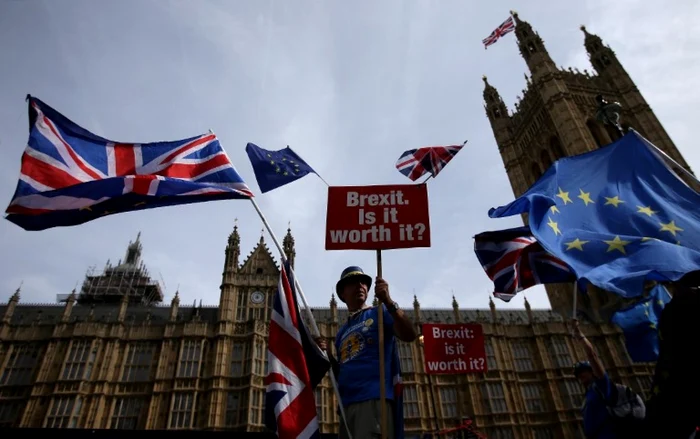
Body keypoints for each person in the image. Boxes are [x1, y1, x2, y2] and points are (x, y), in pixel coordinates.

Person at [316, 266, 417, 439]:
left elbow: (410, 334)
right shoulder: (341, 332)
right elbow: (341, 372)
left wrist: (389, 302)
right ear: (342, 293)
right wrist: (327, 354)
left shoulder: (379, 313)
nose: (360, 285)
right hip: (346, 406)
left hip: (373, 399)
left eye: (364, 282)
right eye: (353, 283)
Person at [572, 319, 644, 439]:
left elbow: (592, 355)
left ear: (592, 373)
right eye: (578, 375)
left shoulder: (601, 387)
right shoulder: (587, 395)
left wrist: (581, 336)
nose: (580, 376)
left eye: (583, 372)